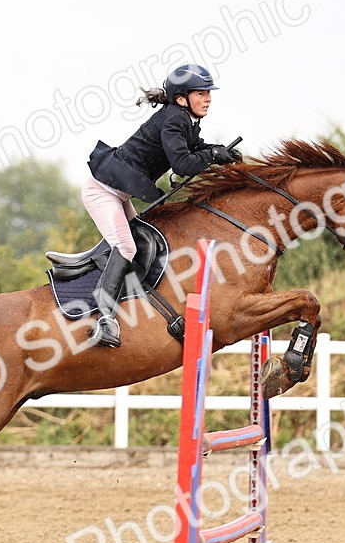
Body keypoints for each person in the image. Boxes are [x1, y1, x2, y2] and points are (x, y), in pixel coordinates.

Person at [81, 63, 241, 348]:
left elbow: (195, 149)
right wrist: (214, 155)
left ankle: (131, 300)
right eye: (201, 92)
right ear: (181, 98)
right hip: (101, 191)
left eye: (208, 92)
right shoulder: (174, 119)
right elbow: (182, 163)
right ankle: (103, 319)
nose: (208, 98)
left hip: (118, 193)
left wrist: (220, 151)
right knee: (128, 247)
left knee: (143, 244)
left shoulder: (184, 119)